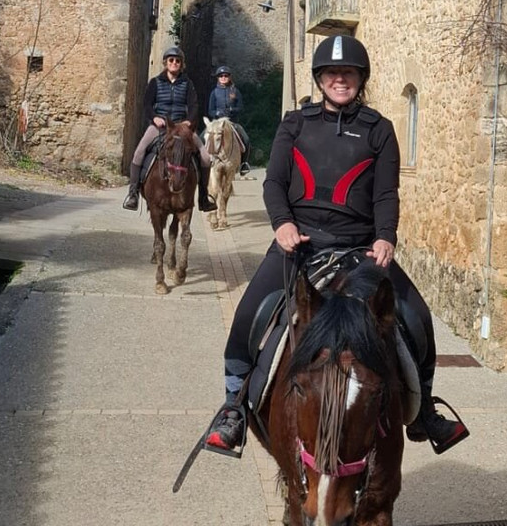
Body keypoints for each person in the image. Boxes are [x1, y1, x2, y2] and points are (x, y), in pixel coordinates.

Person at [204, 35, 469, 455]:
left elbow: (386, 193)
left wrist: (386, 236)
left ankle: (424, 413)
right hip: (299, 244)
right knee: (246, 316)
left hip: (360, 249)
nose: (340, 79)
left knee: (417, 315)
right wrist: (282, 224)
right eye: (332, 72)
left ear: (360, 78)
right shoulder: (295, 124)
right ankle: (233, 405)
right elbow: (273, 183)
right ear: (320, 78)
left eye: (348, 73)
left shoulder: (379, 130)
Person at [123, 46, 216, 213]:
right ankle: (133, 194)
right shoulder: (155, 82)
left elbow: (194, 105)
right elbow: (146, 104)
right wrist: (154, 117)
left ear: (181, 64)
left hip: (181, 127)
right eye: (171, 60)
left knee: (205, 157)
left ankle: (203, 197)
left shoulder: (187, 84)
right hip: (160, 126)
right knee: (139, 152)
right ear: (166, 63)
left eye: (178, 61)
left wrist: (189, 121)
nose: (174, 63)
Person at [207, 65, 251, 175]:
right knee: (203, 138)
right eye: (221, 76)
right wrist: (217, 113)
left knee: (246, 140)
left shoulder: (235, 91)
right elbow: (210, 110)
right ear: (218, 78)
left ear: (229, 77)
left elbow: (241, 107)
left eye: (225, 75)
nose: (223, 77)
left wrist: (232, 110)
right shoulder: (214, 92)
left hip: (232, 122)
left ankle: (243, 164)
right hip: (217, 122)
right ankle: (204, 163)